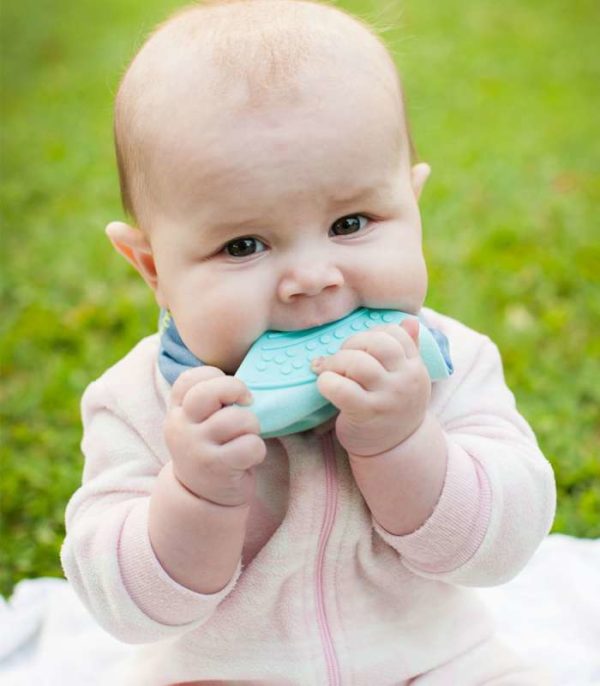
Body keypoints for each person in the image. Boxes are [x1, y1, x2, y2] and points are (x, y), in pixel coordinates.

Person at [61, 0, 556, 683]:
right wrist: (195, 496)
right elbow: (127, 610)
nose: (312, 279)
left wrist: (404, 443)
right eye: (243, 244)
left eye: (351, 223)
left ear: (412, 205)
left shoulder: (447, 362)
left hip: (432, 660)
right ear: (153, 269)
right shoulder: (140, 404)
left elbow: (501, 547)